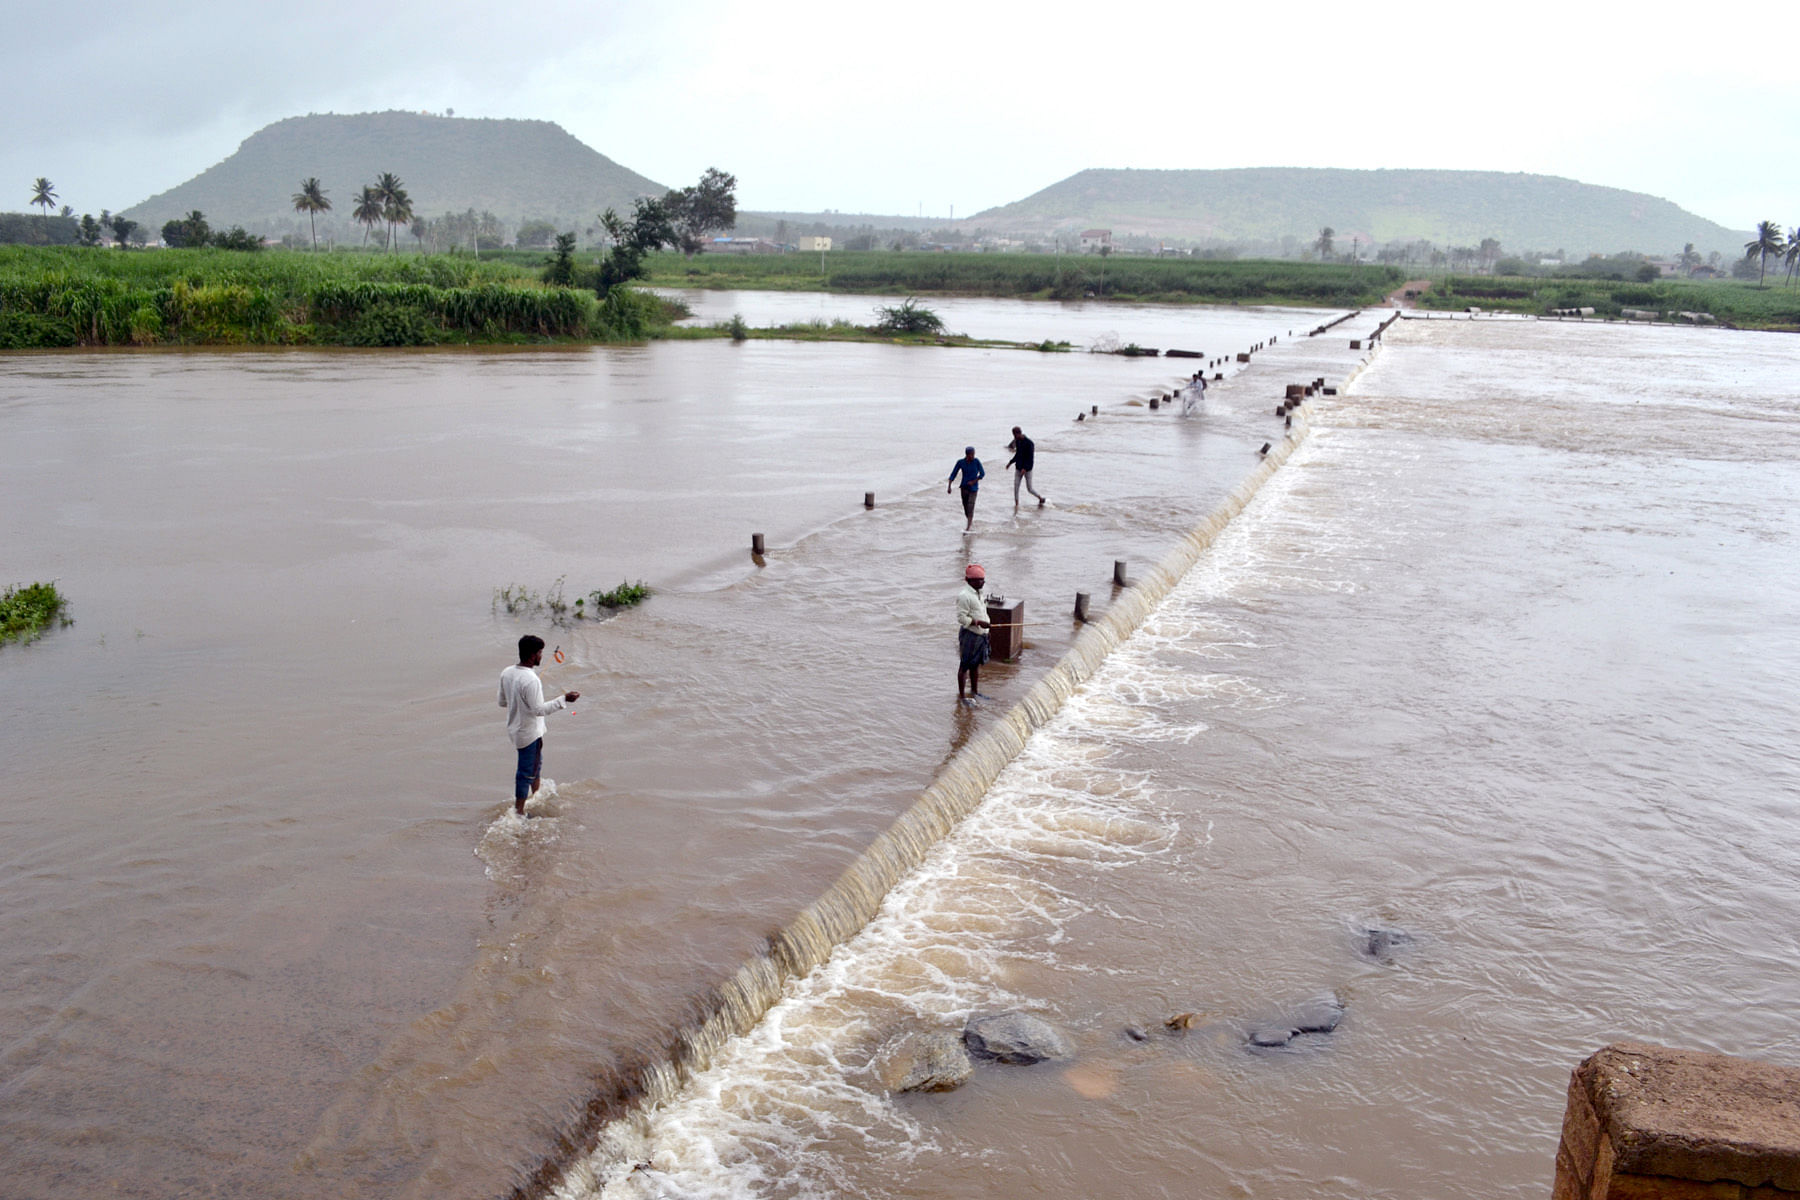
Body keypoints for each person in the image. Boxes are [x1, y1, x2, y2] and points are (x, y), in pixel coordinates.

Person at [498, 634, 579, 815]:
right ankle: (518, 812)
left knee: (536, 765)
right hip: (529, 733)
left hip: (517, 730)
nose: (542, 656)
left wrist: (519, 700)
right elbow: (539, 710)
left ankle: (536, 797)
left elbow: (502, 702)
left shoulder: (507, 672)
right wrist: (564, 699)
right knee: (525, 772)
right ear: (533, 655)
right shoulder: (531, 680)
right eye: (541, 652)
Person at [1005, 426, 1046, 508]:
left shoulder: (1029, 443)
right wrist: (1010, 462)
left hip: (1028, 470)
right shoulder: (1018, 442)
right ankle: (1016, 505)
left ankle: (1040, 498)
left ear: (1019, 433)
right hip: (1018, 468)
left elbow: (1030, 458)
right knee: (1016, 487)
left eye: (1014, 435)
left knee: (1029, 488)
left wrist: (1025, 468)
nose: (1014, 437)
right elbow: (1017, 455)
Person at [947, 445, 985, 532]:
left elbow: (982, 474)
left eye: (974, 454)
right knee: (966, 508)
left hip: (973, 489)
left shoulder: (976, 462)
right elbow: (953, 474)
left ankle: (968, 528)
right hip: (964, 488)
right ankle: (970, 522)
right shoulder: (960, 462)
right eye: (972, 454)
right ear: (967, 455)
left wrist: (974, 481)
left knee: (971, 506)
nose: (973, 456)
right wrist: (949, 486)